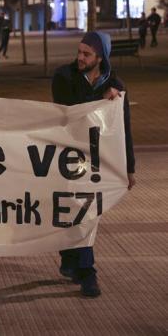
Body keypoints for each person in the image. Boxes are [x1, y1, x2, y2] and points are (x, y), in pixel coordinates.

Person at [51, 31, 136, 298]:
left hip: (96, 163)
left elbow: (124, 129)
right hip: (67, 158)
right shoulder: (64, 77)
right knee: (69, 211)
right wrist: (101, 100)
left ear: (101, 58)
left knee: (86, 213)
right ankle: (72, 259)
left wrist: (129, 167)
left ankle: (87, 271)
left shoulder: (116, 85)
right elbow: (70, 111)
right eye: (79, 52)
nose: (80, 58)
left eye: (87, 54)